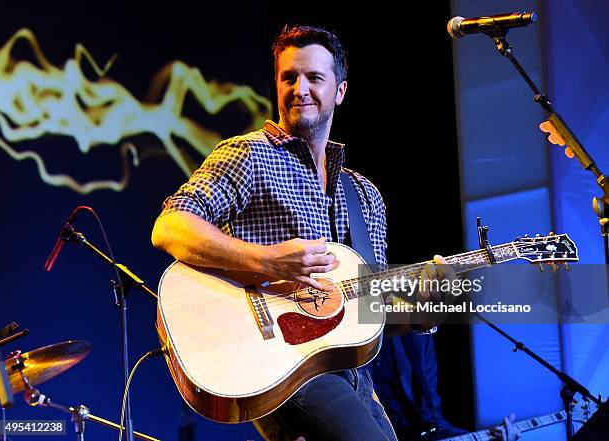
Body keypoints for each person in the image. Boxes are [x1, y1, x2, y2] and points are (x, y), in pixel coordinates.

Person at [152, 25, 458, 441]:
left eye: (314, 78)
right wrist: (268, 260)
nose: (300, 89)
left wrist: (426, 311)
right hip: (281, 369)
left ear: (340, 91)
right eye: (288, 77)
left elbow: (373, 306)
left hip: (352, 376)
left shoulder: (364, 194)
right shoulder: (248, 155)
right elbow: (170, 226)